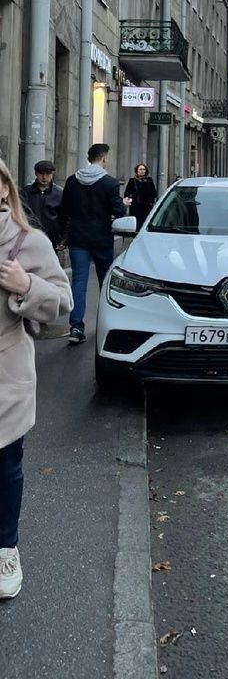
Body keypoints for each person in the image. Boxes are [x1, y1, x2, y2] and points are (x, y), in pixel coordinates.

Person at [0, 157, 72, 600]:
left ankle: (6, 548)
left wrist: (26, 284)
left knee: (5, 467)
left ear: (5, 190)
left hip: (6, 375)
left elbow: (61, 300)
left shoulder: (28, 242)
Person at [59, 143, 131, 345]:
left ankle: (75, 327)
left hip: (78, 238)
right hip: (101, 238)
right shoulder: (109, 183)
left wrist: (63, 235)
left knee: (79, 282)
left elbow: (64, 211)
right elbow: (118, 212)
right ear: (104, 158)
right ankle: (107, 325)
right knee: (105, 282)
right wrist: (123, 205)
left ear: (88, 158)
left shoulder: (72, 181)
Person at [21, 160, 63, 251]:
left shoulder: (59, 194)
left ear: (52, 174)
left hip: (52, 240)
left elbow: (64, 218)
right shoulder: (26, 192)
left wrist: (63, 240)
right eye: (41, 173)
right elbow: (20, 214)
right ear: (36, 173)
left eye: (48, 173)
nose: (44, 177)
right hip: (29, 238)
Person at [124, 163, 158, 230]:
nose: (142, 171)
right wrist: (128, 200)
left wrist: (151, 202)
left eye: (143, 169)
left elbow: (154, 193)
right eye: (140, 169)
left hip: (147, 206)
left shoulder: (149, 180)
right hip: (135, 206)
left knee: (145, 222)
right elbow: (127, 193)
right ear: (137, 171)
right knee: (137, 223)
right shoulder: (132, 181)